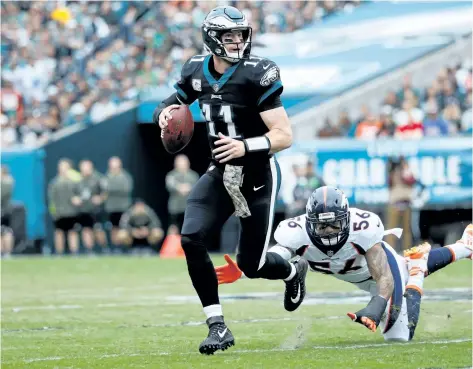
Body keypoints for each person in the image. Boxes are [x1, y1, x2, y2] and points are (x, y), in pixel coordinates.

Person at [153, 5, 307, 355]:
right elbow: (169, 104)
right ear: (212, 39)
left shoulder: (258, 73)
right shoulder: (195, 70)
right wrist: (164, 115)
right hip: (221, 173)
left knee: (251, 264)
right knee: (191, 237)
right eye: (229, 36)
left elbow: (284, 135)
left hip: (257, 176)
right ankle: (217, 326)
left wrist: (244, 145)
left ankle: (291, 271)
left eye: (241, 35)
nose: (237, 41)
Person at [216, 186, 473, 342]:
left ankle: (416, 273)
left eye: (334, 224)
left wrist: (375, 308)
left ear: (347, 219)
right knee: (400, 315)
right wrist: (242, 271)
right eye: (321, 225)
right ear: (308, 222)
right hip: (358, 276)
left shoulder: (364, 228)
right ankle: (463, 248)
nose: (328, 232)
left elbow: (384, 278)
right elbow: (271, 260)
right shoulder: (294, 232)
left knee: (401, 335)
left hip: (380, 274)